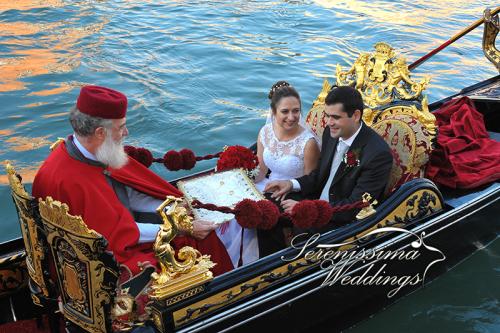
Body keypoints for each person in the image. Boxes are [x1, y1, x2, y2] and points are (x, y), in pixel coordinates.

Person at [32, 85, 233, 277]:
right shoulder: (72, 181)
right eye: (121, 127)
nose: (126, 133)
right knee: (194, 243)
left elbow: (126, 193)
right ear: (100, 133)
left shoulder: (88, 152)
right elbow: (119, 234)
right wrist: (180, 228)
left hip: (105, 241)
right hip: (99, 264)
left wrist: (175, 207)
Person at [216, 81, 320, 263]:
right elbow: (262, 170)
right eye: (285, 112)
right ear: (273, 112)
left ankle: (262, 262)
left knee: (254, 214)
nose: (292, 117)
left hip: (293, 194)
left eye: (296, 111)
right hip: (268, 184)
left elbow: (311, 183)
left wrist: (290, 190)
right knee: (231, 204)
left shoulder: (308, 143)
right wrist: (241, 175)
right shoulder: (265, 132)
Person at [265, 85, 393, 228]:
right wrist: (291, 184)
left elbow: (357, 205)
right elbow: (320, 174)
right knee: (266, 210)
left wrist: (309, 209)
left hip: (340, 222)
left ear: (356, 116)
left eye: (336, 117)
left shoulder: (377, 154)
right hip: (316, 199)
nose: (329, 122)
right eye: (327, 116)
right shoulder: (331, 133)